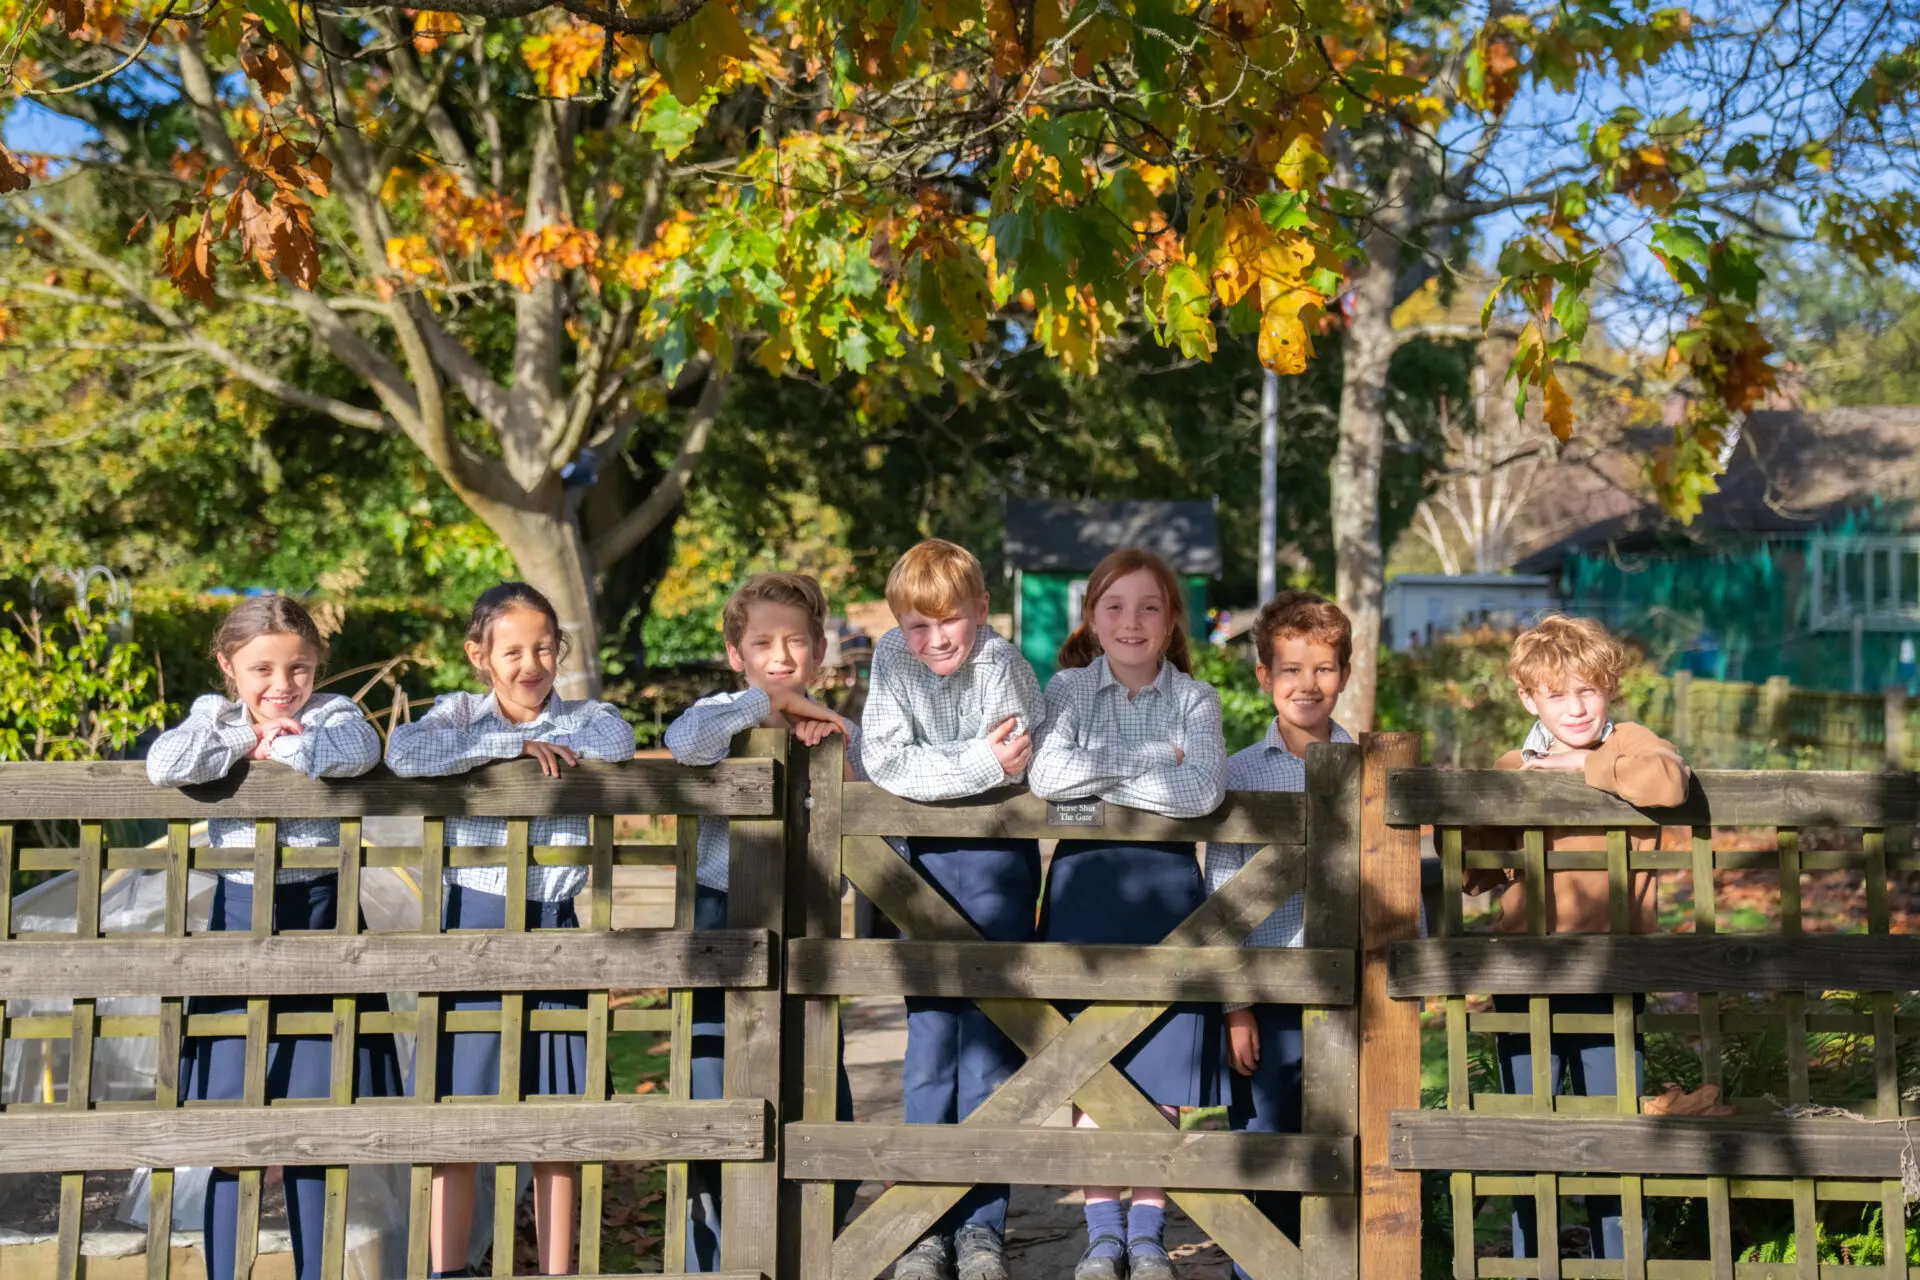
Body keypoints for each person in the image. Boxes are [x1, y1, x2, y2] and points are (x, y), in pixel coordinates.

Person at [146, 595, 401, 1280]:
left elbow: (356, 751)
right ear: (228, 665)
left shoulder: (333, 715)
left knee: (315, 1124)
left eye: (300, 669)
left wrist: (287, 742)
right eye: (262, 669)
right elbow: (165, 763)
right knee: (233, 1128)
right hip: (238, 924)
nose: (282, 686)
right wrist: (240, 741)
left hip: (324, 922)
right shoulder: (213, 715)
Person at [386, 582, 636, 1278]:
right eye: (513, 650)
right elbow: (405, 754)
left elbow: (620, 740)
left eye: (545, 648)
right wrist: (509, 747)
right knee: (456, 1113)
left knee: (560, 1113)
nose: (531, 664)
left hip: (556, 924)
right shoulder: (457, 715)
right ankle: (449, 1268)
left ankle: (558, 1269)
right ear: (479, 655)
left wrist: (547, 735)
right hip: (473, 920)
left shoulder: (587, 716)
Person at [1028, 548, 1228, 1280]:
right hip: (1085, 892)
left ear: (1172, 618)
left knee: (1159, 1070)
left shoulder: (1197, 701)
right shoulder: (1068, 690)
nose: (1131, 621)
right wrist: (1153, 761)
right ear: (1092, 617)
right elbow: (1049, 777)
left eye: (1149, 606)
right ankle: (1102, 1232)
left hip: (1170, 897)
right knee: (1092, 1067)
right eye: (1114, 606)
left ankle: (1147, 1233)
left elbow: (1202, 790)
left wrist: (1104, 774)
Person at [1465, 614, 1690, 1264]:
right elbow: (1479, 872)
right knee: (1529, 1133)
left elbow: (1668, 782)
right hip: (1525, 980)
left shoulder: (1633, 745)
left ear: (1609, 689)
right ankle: (1534, 1261)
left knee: (1613, 1131)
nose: (1575, 706)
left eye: (1587, 690)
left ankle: (1621, 1263)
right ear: (1529, 699)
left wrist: (1580, 767)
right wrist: (1501, 798)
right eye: (1557, 694)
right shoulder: (1517, 762)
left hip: (1608, 978)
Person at [663, 571, 861, 1271]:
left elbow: (871, 782)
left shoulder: (838, 728)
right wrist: (764, 704)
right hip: (721, 916)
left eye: (796, 643)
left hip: (808, 923)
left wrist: (822, 730)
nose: (781, 656)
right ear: (734, 651)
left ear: (821, 650)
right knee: (712, 1086)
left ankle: (805, 1252)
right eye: (762, 643)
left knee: (816, 1089)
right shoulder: (722, 713)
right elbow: (686, 742)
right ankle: (710, 1260)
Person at [859, 539, 1047, 1280]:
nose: (936, 640)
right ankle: (921, 1222)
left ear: (981, 612)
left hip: (999, 860)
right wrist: (972, 766)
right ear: (900, 623)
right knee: (930, 1043)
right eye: (918, 626)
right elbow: (887, 761)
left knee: (991, 1048)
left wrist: (951, 774)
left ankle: (981, 1229)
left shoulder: (1001, 664)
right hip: (920, 866)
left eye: (951, 623)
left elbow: (1015, 760)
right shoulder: (889, 660)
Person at [1204, 591, 1354, 1277]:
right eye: (1290, 669)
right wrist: (1234, 1004)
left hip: (1348, 994)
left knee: (1338, 1140)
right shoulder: (1237, 774)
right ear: (1264, 676)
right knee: (1264, 1141)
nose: (1307, 684)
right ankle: (1255, 1268)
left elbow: (1394, 884)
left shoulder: (1369, 767)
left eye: (1323, 669)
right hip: (1263, 994)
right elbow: (1220, 895)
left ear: (1344, 675)